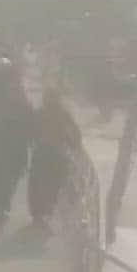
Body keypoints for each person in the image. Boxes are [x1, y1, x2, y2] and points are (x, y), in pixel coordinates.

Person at [0, 58, 33, 219]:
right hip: (1, 139)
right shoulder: (8, 90)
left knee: (5, 172)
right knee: (3, 172)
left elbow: (26, 111)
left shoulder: (13, 90)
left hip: (6, 139)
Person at [28, 89, 81, 230]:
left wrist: (34, 141)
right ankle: (47, 209)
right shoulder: (63, 114)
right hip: (58, 154)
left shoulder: (39, 113)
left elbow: (30, 132)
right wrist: (73, 144)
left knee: (37, 183)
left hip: (41, 153)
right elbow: (75, 132)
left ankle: (38, 212)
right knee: (55, 184)